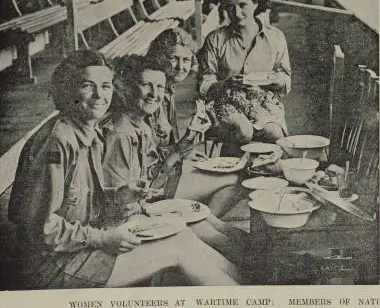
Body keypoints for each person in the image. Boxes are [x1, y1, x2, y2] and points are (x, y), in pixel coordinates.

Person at [8, 50, 241, 288]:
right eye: (88, 86)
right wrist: (103, 238)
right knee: (179, 248)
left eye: (106, 86)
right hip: (54, 264)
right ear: (67, 89)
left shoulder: (90, 131)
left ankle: (246, 288)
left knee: (183, 236)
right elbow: (41, 229)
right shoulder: (58, 141)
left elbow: (82, 204)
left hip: (82, 243)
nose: (100, 95)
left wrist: (120, 196)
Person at [102, 55, 259, 276]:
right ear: (126, 87)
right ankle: (258, 275)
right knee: (206, 230)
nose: (155, 94)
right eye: (146, 84)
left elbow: (152, 177)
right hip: (131, 222)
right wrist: (170, 213)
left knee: (214, 224)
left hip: (151, 204)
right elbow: (121, 206)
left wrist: (185, 144)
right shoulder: (121, 134)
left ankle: (266, 265)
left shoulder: (141, 125)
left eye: (159, 87)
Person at [197, 0, 291, 154]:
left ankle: (264, 171)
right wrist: (226, 83)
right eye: (230, 8)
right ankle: (231, 170)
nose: (237, 13)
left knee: (274, 132)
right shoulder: (215, 39)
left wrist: (270, 79)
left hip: (262, 101)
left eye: (243, 5)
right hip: (224, 101)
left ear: (255, 4)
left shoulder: (275, 37)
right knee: (243, 131)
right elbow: (203, 85)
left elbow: (286, 81)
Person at [144, 26, 198, 152]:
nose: (180, 67)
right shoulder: (153, 96)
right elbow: (150, 153)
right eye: (173, 59)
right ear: (159, 58)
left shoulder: (168, 89)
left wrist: (184, 153)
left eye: (186, 60)